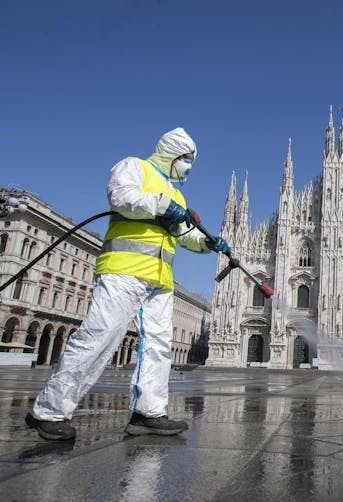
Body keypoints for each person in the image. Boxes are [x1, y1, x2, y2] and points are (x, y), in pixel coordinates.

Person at [25, 128, 230, 441]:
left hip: (159, 281)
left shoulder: (175, 193)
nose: (188, 167)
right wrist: (161, 205)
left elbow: (182, 233)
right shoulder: (135, 167)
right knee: (99, 338)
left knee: (158, 349)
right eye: (186, 160)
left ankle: (149, 412)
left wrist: (208, 243)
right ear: (173, 155)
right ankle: (50, 411)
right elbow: (122, 198)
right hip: (124, 270)